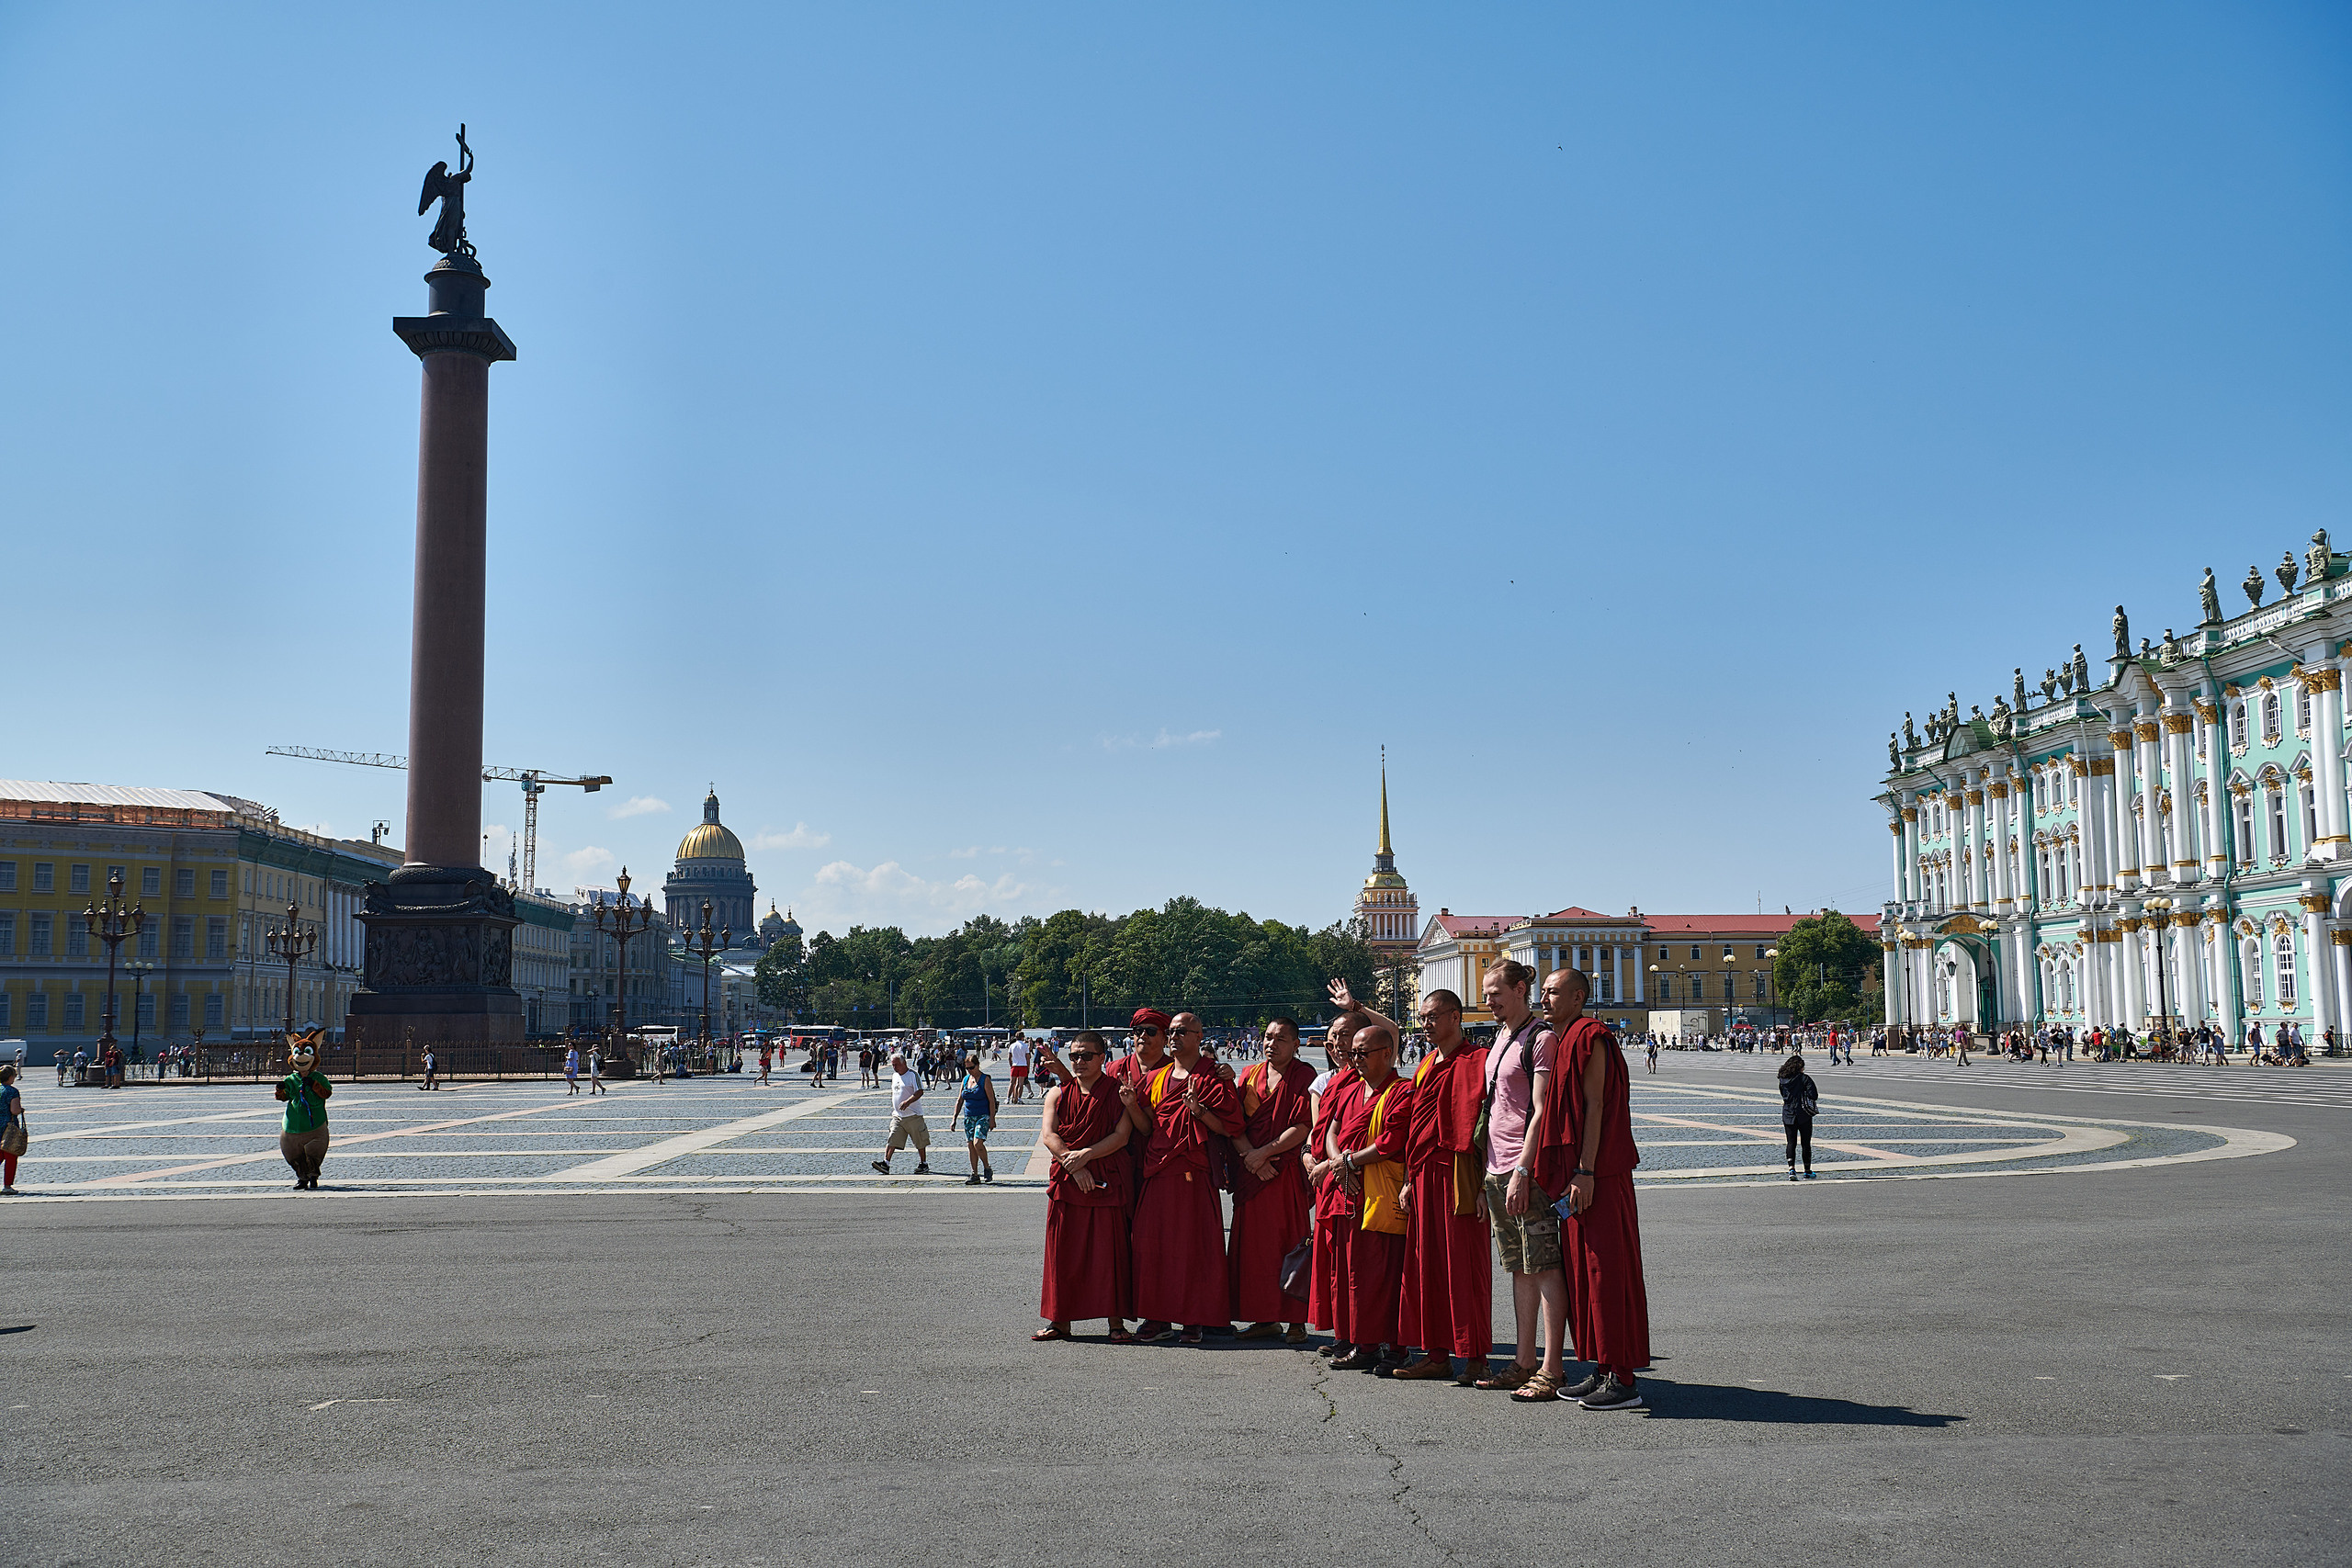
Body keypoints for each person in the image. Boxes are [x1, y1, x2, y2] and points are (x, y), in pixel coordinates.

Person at [1535, 965, 1651, 1411]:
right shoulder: (1561, 1041)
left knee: (1606, 1272)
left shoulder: (1591, 1037)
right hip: (1574, 1177)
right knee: (1581, 1274)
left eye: (1553, 992)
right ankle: (1601, 1367)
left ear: (1579, 997)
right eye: (1543, 992)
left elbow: (1596, 1103)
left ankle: (1623, 1379)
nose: (1544, 999)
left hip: (1597, 1174)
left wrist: (1585, 1170)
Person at [1476, 960, 1568, 1399]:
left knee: (1545, 1265)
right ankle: (1525, 1360)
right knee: (1519, 1268)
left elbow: (1541, 1108)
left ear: (1518, 990)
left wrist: (1523, 1170)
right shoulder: (1500, 1039)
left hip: (1522, 1172)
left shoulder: (1540, 1039)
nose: (1488, 1000)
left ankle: (1552, 1369)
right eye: (1486, 993)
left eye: (1495, 993)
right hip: (1496, 1168)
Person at [1392, 987, 1493, 1384]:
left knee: (1464, 1266)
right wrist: (1406, 1181)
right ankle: (1435, 1355)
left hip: (1459, 1173)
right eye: (1422, 1017)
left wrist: (1485, 1184)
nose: (1426, 1024)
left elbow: (1485, 1125)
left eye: (1433, 1016)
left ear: (1456, 1017)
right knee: (1425, 1267)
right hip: (1422, 1175)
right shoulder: (1425, 1065)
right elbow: (1416, 1124)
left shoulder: (1478, 1060)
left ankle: (1475, 1356)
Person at [1123, 1010, 1240, 1345]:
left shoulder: (1211, 1076)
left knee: (1194, 1247)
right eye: (1171, 1032)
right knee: (1151, 1244)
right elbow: (1147, 1127)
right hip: (1158, 1169)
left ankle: (1194, 1318)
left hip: (1192, 1171)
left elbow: (1229, 1126)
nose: (1174, 1037)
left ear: (1199, 1036)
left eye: (1182, 1032)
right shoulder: (1157, 1078)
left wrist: (1199, 1112)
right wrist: (1132, 1105)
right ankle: (1156, 1317)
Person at [1035, 1032, 1135, 1342]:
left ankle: (1116, 1322)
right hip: (1069, 1181)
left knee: (1109, 1253)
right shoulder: (1058, 1093)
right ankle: (1060, 1321)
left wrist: (1086, 1156)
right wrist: (1072, 1164)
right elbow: (1049, 1135)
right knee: (1063, 1252)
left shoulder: (1117, 1091)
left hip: (1105, 1176)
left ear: (1102, 1057)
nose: (1079, 1062)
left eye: (1087, 1055)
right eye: (1075, 1056)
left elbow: (1122, 1136)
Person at [1226, 1015, 1316, 1344]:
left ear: (1295, 1044)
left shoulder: (1303, 1075)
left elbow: (1303, 1125)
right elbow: (1233, 1122)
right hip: (1253, 1173)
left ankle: (1295, 1321)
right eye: (1267, 1037)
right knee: (1254, 1250)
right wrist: (1252, 1157)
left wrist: (1263, 1154)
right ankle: (1264, 1318)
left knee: (1288, 1244)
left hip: (1283, 1174)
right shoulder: (1248, 1075)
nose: (1271, 1044)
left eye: (1280, 1039)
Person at [1304, 1019, 1363, 1359]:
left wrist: (1334, 1162)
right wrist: (1307, 1157)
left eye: (1345, 1035)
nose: (1337, 1044)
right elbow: (1322, 1130)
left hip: (1352, 1177)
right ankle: (1345, 1333)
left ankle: (1364, 1336)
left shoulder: (1369, 1081)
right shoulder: (1332, 1082)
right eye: (1332, 1038)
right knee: (1336, 1261)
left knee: (1356, 1263)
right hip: (1328, 1178)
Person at [275, 1031, 333, 1191]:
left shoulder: (319, 1078)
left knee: (314, 1151)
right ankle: (302, 1178)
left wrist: (314, 1085)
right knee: (293, 1153)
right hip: (293, 1124)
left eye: (306, 1052)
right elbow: (284, 1097)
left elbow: (326, 1093)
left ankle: (313, 1176)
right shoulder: (291, 1079)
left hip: (315, 1124)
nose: (301, 1056)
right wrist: (280, 1091)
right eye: (297, 1052)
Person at [872, 1051, 932, 1176]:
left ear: (903, 1063)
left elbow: (920, 1091)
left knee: (919, 1141)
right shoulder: (895, 1076)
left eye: (896, 1065)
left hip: (913, 1115)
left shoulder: (912, 1075)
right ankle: (886, 1163)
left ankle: (923, 1163)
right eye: (893, 1065)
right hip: (898, 1116)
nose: (894, 1067)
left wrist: (907, 1102)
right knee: (892, 1138)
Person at [956, 1051, 999, 1184]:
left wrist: (992, 1118)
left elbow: (991, 1101)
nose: (969, 1070)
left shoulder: (985, 1079)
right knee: (970, 1145)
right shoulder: (965, 1080)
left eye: (972, 1067)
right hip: (969, 1117)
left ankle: (987, 1168)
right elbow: (960, 1100)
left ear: (978, 1065)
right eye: (967, 1068)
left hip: (983, 1116)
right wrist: (954, 1118)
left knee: (977, 1143)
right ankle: (974, 1174)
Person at [1779, 1053, 1818, 1179]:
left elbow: (1782, 1094)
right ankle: (1807, 1170)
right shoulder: (1804, 1078)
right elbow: (1814, 1095)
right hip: (1803, 1114)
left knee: (1791, 1142)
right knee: (1806, 1143)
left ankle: (1791, 1170)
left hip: (1788, 1113)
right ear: (1799, 1067)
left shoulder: (1782, 1080)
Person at [0, 1064, 25, 1194]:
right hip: (8, 1128)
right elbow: (14, 1110)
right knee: (10, 1157)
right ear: (10, 1077)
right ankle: (7, 1186)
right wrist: (21, 1110)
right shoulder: (12, 1091)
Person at [1007, 1036, 1032, 1104]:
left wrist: (1011, 1065)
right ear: (1022, 1037)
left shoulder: (1012, 1045)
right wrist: (1028, 1068)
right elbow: (1028, 1058)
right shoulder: (1025, 1046)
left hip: (1015, 1065)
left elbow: (1009, 1058)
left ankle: (1008, 1098)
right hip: (1023, 1066)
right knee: (1020, 1084)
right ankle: (1019, 1098)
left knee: (1012, 1083)